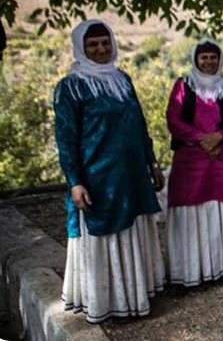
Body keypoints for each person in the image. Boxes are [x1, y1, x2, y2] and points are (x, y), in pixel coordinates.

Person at [54, 19, 165, 324]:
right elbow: (66, 138)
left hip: (130, 174)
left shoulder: (122, 80)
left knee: (133, 228)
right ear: (81, 48)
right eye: (93, 45)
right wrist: (75, 182)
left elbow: (139, 125)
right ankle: (108, 302)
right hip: (98, 177)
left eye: (105, 43)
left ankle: (137, 294)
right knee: (105, 233)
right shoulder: (71, 87)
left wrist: (151, 161)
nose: (101, 49)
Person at [165, 39, 223, 287]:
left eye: (213, 57)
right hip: (190, 159)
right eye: (204, 58)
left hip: (222, 158)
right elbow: (173, 120)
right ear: (195, 59)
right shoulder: (183, 87)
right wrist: (202, 140)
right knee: (191, 208)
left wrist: (219, 138)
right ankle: (191, 271)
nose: (209, 62)